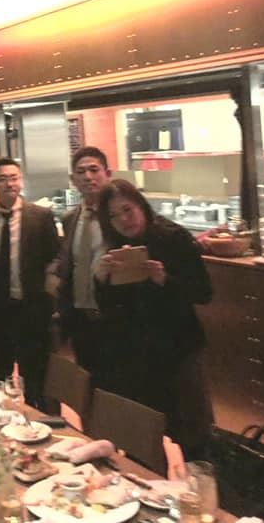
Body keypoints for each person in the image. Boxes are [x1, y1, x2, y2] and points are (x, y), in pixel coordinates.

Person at [94, 179, 213, 455]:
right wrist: (102, 279)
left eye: (127, 210)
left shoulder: (173, 237)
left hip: (177, 349)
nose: (123, 220)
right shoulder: (117, 246)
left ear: (141, 205)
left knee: (187, 430)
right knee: (144, 431)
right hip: (136, 352)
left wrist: (164, 279)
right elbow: (110, 307)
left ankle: (192, 474)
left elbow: (204, 292)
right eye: (113, 216)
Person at [0, 158, 59, 406]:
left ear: (21, 180)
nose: (9, 184)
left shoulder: (40, 217)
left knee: (36, 377)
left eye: (14, 178)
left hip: (32, 310)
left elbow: (54, 259)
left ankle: (37, 419)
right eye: (2, 179)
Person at [51, 147, 112, 386]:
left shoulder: (121, 217)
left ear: (108, 174)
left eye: (94, 170)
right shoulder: (70, 218)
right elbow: (70, 261)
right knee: (87, 383)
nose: (88, 177)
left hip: (113, 319)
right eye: (81, 172)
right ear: (73, 180)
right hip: (80, 320)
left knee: (117, 390)